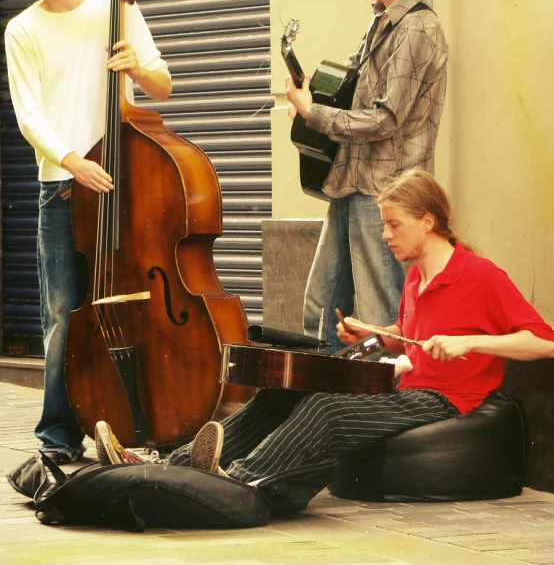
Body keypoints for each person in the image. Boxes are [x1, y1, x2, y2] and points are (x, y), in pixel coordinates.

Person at [95, 169, 554, 513]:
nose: (385, 234)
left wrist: (471, 344)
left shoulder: (481, 275)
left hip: (447, 398)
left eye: (393, 224)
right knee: (285, 392)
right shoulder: (416, 276)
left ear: (427, 221)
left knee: (329, 408)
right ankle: (169, 466)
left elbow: (543, 342)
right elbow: (412, 339)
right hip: (407, 386)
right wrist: (380, 336)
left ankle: (238, 482)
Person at [3, 0, 171, 464]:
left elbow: (162, 84)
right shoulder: (23, 30)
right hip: (63, 188)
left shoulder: (115, 8)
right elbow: (29, 115)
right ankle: (57, 435)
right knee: (62, 313)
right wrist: (75, 163)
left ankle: (141, 418)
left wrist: (137, 71)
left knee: (137, 301)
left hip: (127, 182)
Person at [285, 0, 448, 353]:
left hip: (384, 192)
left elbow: (386, 120)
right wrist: (312, 99)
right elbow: (355, 99)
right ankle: (323, 401)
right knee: (322, 305)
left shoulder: (417, 28)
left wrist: (314, 114)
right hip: (352, 182)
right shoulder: (383, 23)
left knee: (379, 314)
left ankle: (381, 410)